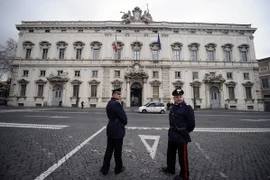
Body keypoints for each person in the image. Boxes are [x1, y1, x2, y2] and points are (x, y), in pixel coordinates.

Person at [161, 89, 195, 180]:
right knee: (170, 153)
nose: (179, 98)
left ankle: (184, 176)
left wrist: (185, 131)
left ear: (182, 97)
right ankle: (170, 169)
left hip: (182, 136)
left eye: (180, 97)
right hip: (172, 134)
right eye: (176, 97)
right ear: (174, 98)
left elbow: (191, 123)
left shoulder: (187, 108)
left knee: (182, 157)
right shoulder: (173, 107)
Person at [100, 88, 128, 175]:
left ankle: (105, 168)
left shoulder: (109, 103)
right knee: (117, 151)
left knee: (109, 150)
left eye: (120, 94)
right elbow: (124, 118)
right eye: (118, 94)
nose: (120, 95)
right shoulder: (116, 104)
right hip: (117, 129)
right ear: (113, 94)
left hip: (111, 127)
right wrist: (123, 123)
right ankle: (118, 168)